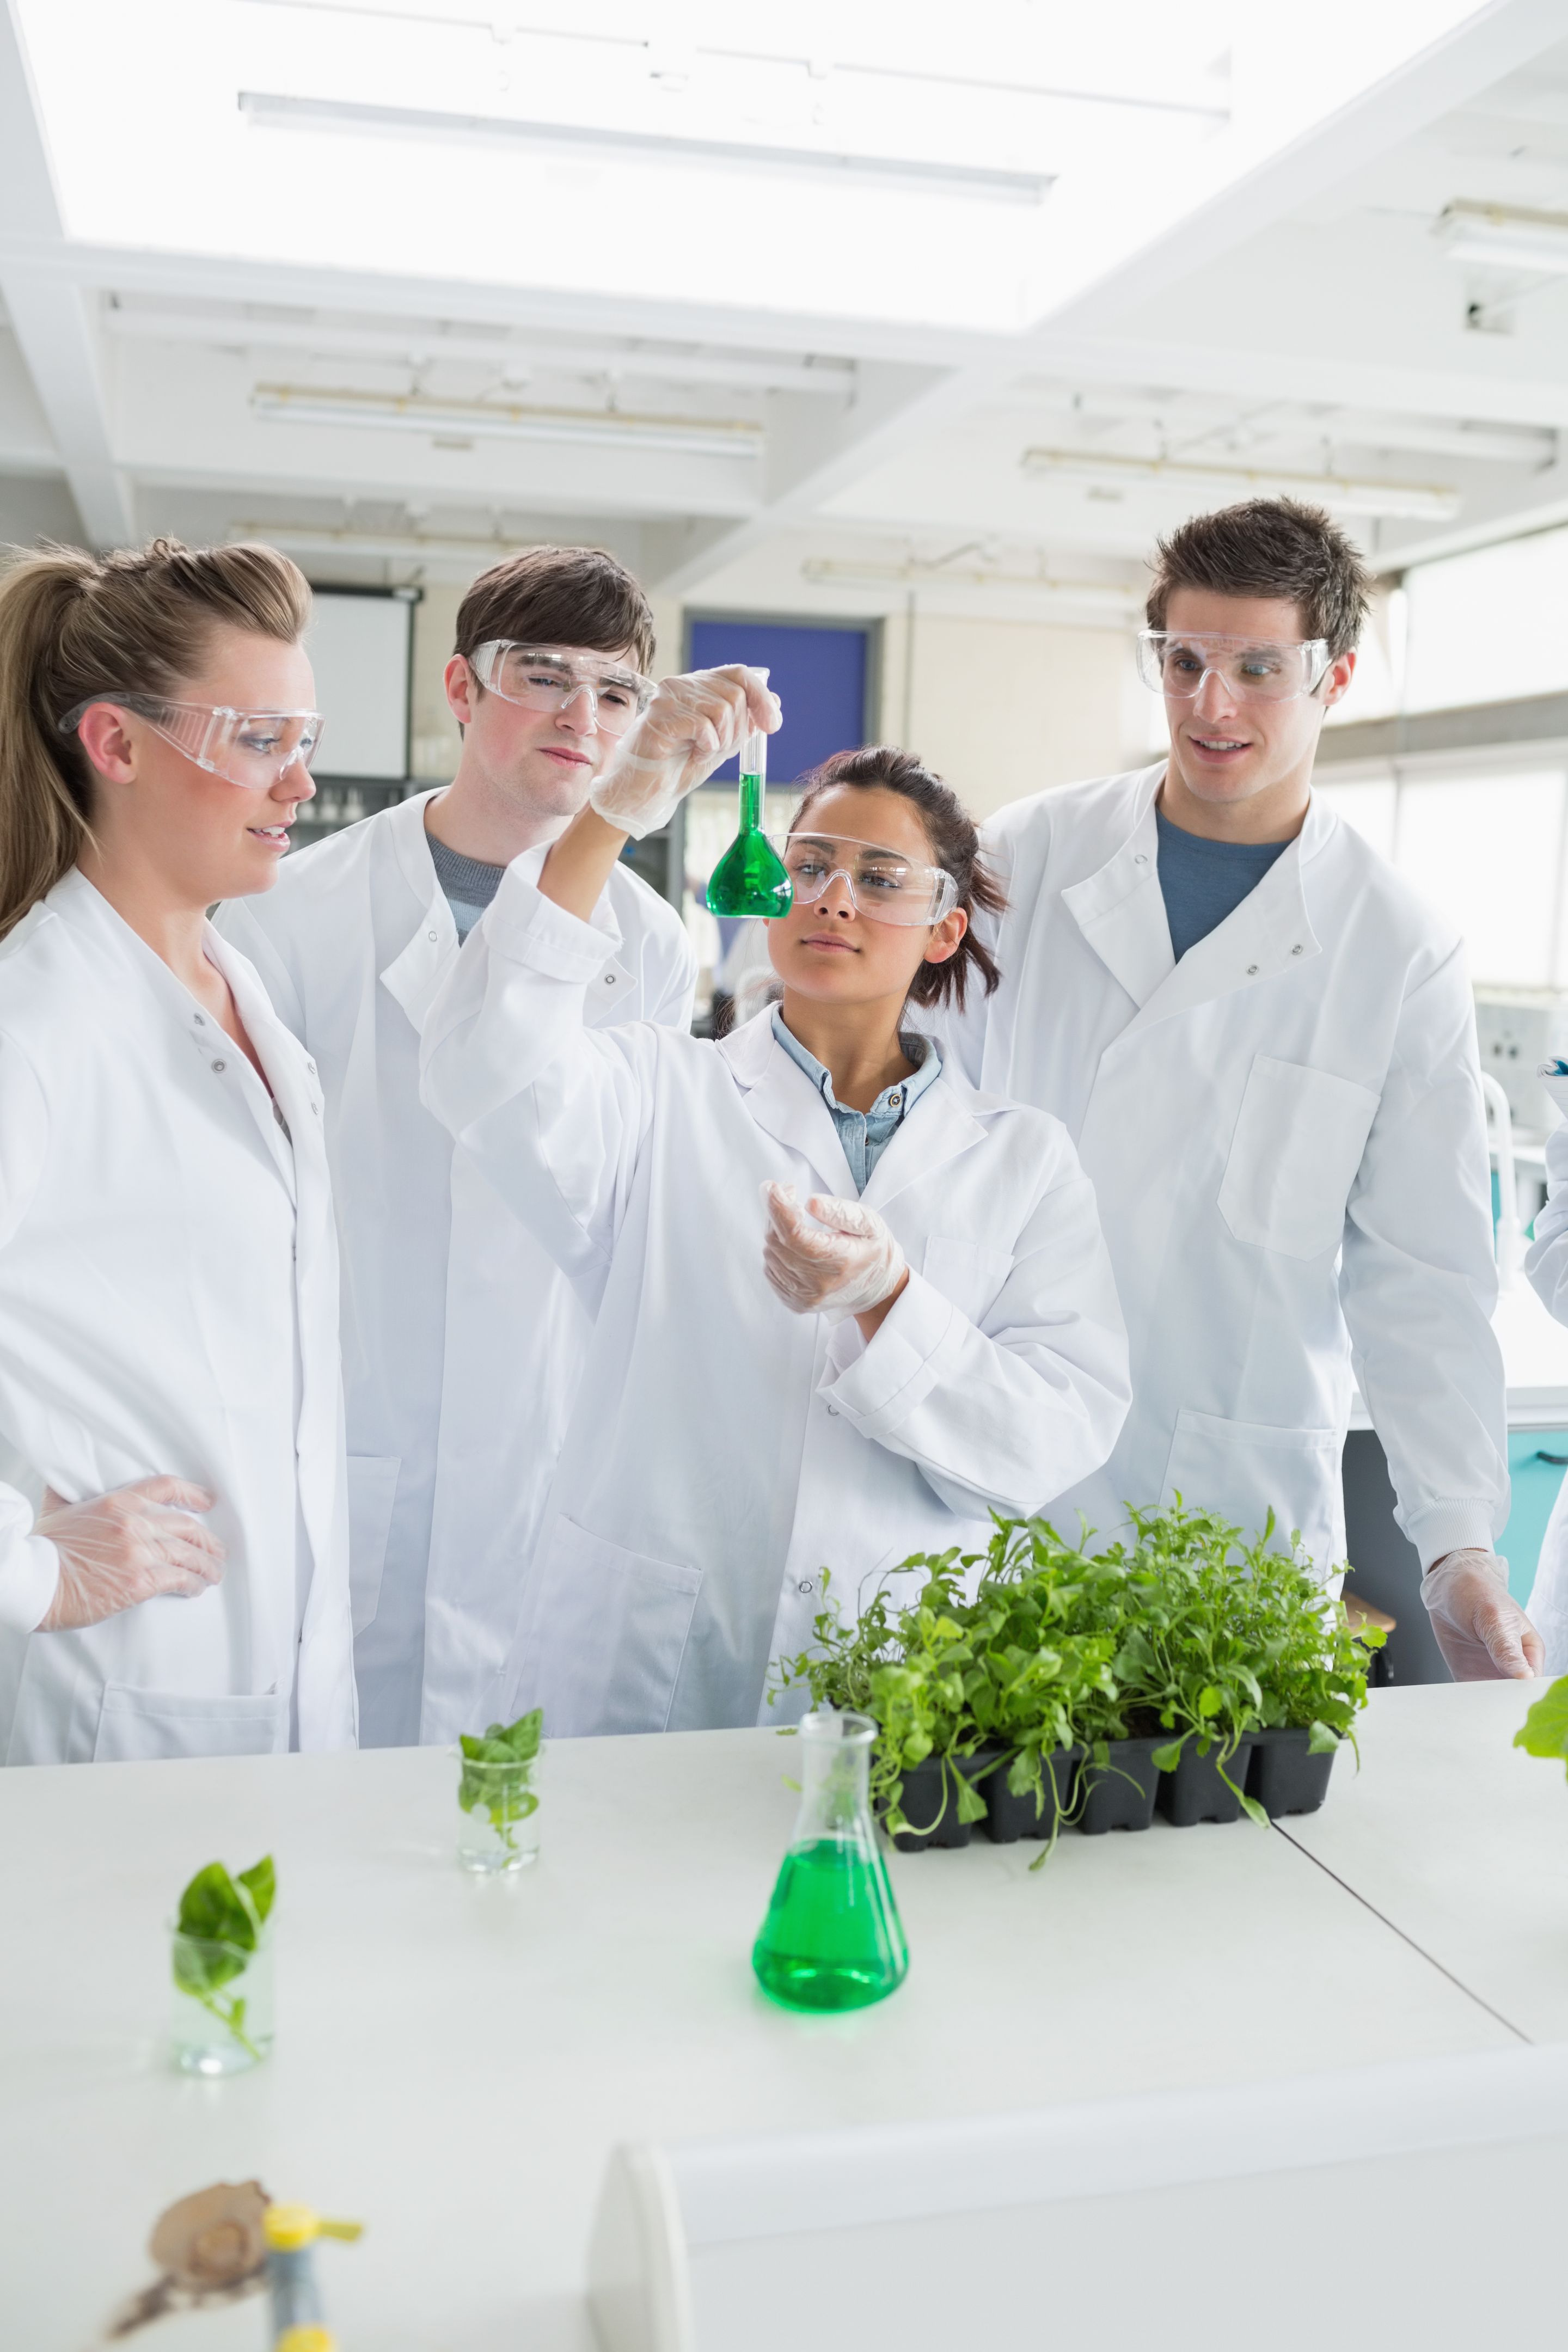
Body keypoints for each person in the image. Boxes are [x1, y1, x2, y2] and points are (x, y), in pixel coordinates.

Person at [419, 718, 1131, 1737]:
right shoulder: (654, 1086)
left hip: (902, 1665)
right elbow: (484, 1070)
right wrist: (609, 815)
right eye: (810, 865)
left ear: (945, 929)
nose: (834, 897)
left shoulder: (1023, 1160)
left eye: (882, 878)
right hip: (652, 1657)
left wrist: (889, 1302)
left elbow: (1053, 1435)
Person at [935, 496, 1540, 1682]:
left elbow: (1422, 1273)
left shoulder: (1394, 945)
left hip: (1225, 1497)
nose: (1214, 704)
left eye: (1260, 668)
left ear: (1336, 675)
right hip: (991, 1467)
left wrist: (1458, 1542)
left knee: (1228, 1847)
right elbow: (899, 1103)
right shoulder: (1025, 858)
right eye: (1185, 661)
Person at [217, 548, 700, 1747]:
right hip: (346, 1432)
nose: (581, 719)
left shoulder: (645, 941)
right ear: (460, 689)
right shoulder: (291, 913)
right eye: (542, 677)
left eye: (616, 692)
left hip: (544, 1447)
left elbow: (626, 1206)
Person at [0, 537, 354, 1763]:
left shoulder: (238, 993)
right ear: (117, 745)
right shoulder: (33, 1020)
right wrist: (31, 1575)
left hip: (270, 1671)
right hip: (119, 1690)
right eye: (260, 742)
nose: (301, 785)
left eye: (304, 741)